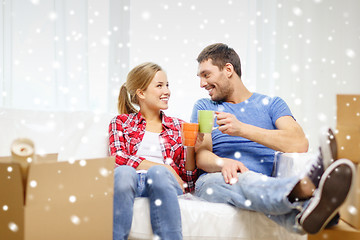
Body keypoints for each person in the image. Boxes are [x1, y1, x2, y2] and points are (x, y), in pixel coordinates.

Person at [190, 43, 355, 234]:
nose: (202, 84)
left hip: (263, 182)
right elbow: (201, 155)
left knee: (254, 184)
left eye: (206, 74)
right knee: (232, 181)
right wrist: (222, 163)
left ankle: (306, 217)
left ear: (228, 70)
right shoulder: (204, 107)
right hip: (216, 179)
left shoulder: (271, 104)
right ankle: (305, 187)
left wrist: (242, 129)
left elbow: (299, 143)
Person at [109, 62, 200, 240]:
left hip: (163, 182)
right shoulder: (120, 122)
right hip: (132, 181)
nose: (167, 91)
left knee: (157, 173)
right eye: (159, 86)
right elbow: (118, 158)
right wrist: (165, 167)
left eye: (167, 85)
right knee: (125, 172)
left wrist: (191, 148)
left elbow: (187, 180)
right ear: (141, 93)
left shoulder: (178, 125)